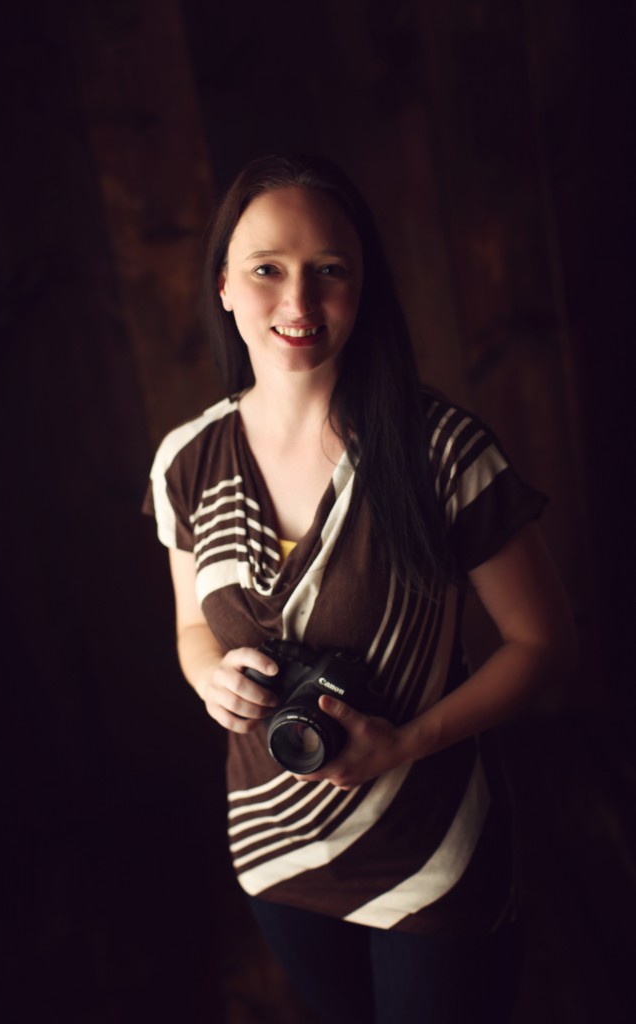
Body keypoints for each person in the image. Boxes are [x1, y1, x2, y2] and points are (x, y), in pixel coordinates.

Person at [144, 154, 576, 1023]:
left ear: (363, 286)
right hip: (275, 853)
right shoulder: (186, 460)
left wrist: (405, 742)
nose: (299, 301)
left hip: (431, 852)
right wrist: (206, 677)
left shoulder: (440, 450)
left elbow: (542, 643)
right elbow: (193, 626)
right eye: (267, 269)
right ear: (223, 283)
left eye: (330, 270)